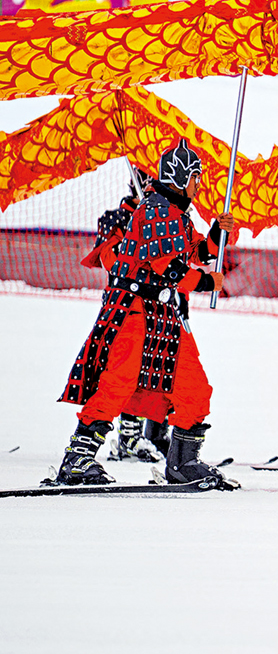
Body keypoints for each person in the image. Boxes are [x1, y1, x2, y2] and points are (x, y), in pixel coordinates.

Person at [54, 140, 240, 489]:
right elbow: (166, 265)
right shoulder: (156, 210)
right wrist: (206, 282)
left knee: (195, 388)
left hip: (163, 316)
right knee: (117, 382)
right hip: (134, 311)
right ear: (180, 177)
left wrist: (218, 231)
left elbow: (198, 251)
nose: (199, 184)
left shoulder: (177, 214)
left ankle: (183, 463)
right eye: (195, 176)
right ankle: (77, 460)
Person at [79, 169, 173, 464]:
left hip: (160, 308)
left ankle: (149, 435)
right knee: (121, 375)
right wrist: (137, 237)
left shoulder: (167, 218)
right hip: (125, 308)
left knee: (156, 373)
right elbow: (111, 260)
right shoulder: (116, 218)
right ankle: (120, 438)